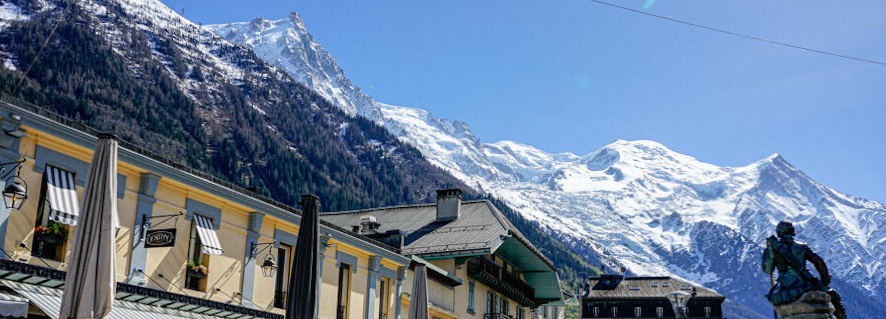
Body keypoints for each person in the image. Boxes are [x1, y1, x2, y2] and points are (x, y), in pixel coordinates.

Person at [761, 220, 846, 319]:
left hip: (785, 287)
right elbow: (819, 262)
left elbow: (767, 269)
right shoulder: (801, 247)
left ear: (778, 233)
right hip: (805, 285)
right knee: (834, 296)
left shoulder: (773, 249)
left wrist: (770, 251)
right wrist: (824, 281)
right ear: (791, 231)